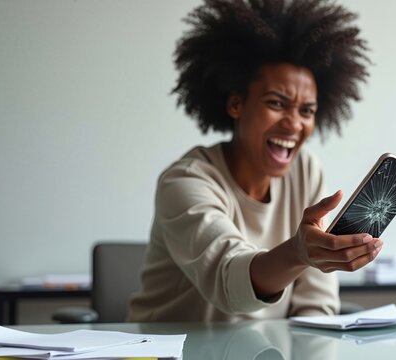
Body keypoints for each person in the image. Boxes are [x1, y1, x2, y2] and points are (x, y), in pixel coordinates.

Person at [128, 0, 380, 322]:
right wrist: (298, 253)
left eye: (307, 111)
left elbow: (317, 303)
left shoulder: (306, 172)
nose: (294, 124)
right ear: (236, 104)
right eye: (277, 103)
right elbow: (228, 282)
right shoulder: (185, 182)